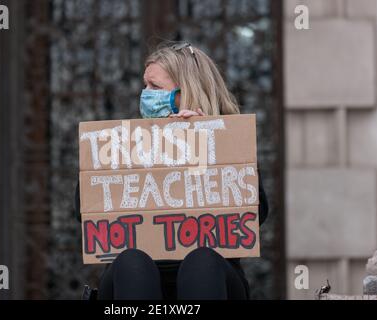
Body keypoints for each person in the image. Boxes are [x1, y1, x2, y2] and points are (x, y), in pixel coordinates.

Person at [75, 41, 269, 300]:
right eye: (145, 86)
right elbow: (86, 210)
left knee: (202, 262)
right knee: (132, 262)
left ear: (186, 92)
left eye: (155, 87)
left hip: (210, 281)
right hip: (134, 284)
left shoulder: (230, 141)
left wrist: (209, 143)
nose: (146, 94)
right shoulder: (124, 144)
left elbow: (257, 213)